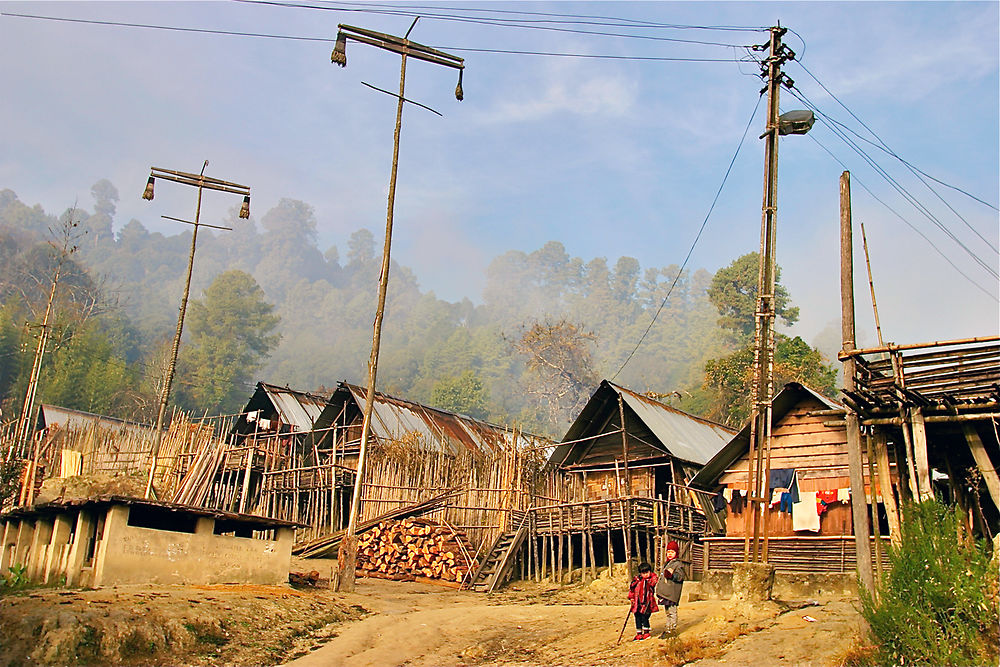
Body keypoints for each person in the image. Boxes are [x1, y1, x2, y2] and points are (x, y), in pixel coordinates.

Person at [655, 540, 685, 637]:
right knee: (667, 612)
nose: (670, 554)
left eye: (672, 552)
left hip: (672, 594)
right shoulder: (667, 564)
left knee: (672, 612)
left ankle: (672, 629)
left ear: (676, 553)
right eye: (668, 552)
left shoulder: (678, 565)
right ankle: (668, 629)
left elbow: (680, 577)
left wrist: (672, 576)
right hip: (666, 594)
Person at [627, 561, 658, 640]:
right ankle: (639, 633)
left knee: (645, 617)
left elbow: (654, 582)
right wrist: (632, 598)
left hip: (647, 602)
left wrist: (648, 580)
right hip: (637, 602)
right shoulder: (637, 580)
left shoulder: (651, 580)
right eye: (643, 573)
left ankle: (646, 632)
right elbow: (632, 590)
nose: (645, 574)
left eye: (647, 572)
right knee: (637, 616)